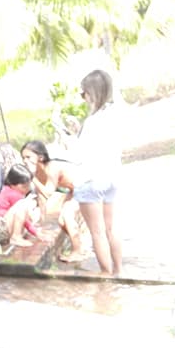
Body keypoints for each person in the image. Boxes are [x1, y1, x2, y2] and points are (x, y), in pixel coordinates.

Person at [73, 69, 123, 275]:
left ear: (91, 93)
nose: (83, 97)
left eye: (83, 93)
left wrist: (75, 135)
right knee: (111, 229)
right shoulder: (114, 115)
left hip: (90, 180)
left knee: (97, 232)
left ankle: (105, 274)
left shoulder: (92, 122)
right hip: (111, 178)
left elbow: (81, 153)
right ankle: (118, 270)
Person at [20, 140, 85, 262]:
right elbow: (41, 196)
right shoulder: (38, 171)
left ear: (40, 157)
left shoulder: (52, 168)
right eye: (23, 158)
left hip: (84, 188)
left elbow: (48, 193)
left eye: (28, 157)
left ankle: (78, 252)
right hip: (73, 190)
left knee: (67, 216)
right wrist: (41, 222)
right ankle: (79, 246)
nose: (25, 161)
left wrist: (32, 177)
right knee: (61, 221)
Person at [0, 164, 40, 248]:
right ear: (12, 184)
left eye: (29, 186)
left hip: (1, 229)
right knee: (23, 204)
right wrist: (36, 232)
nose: (28, 189)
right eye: (24, 186)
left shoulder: (8, 189)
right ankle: (16, 237)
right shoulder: (13, 194)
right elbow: (24, 220)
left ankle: (16, 236)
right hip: (2, 229)